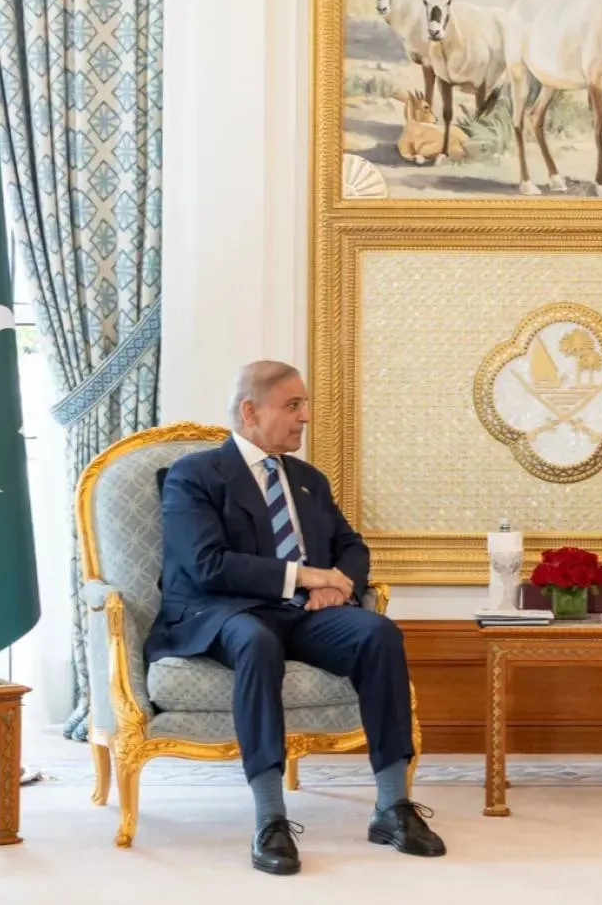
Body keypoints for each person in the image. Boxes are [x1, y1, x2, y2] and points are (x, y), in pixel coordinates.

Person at [145, 360, 445, 875]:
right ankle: (270, 819)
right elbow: (206, 565)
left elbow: (351, 547)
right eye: (292, 405)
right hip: (223, 612)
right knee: (256, 642)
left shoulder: (308, 480)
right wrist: (307, 578)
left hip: (304, 614)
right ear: (249, 410)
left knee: (378, 634)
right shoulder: (193, 476)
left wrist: (340, 585)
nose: (305, 416)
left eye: (304, 405)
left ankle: (392, 807)